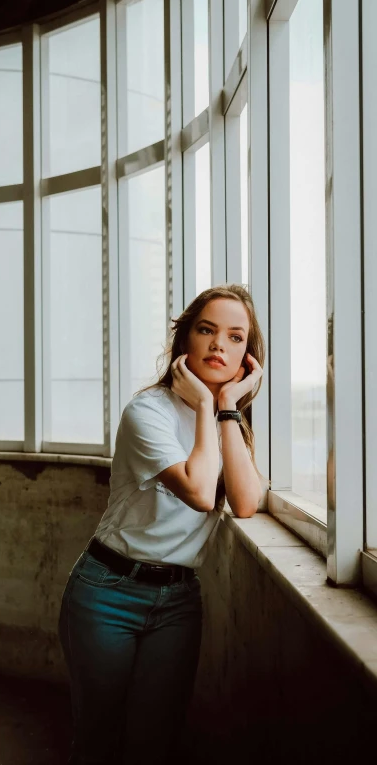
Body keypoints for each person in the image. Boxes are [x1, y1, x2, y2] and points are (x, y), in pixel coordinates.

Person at [58, 284, 266, 765]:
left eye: (236, 338)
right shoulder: (146, 412)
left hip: (177, 600)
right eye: (207, 330)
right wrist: (201, 406)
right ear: (185, 340)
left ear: (248, 360)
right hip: (108, 591)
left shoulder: (227, 421)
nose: (219, 345)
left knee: (157, 741)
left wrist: (226, 405)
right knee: (99, 737)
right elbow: (197, 491)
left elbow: (247, 501)